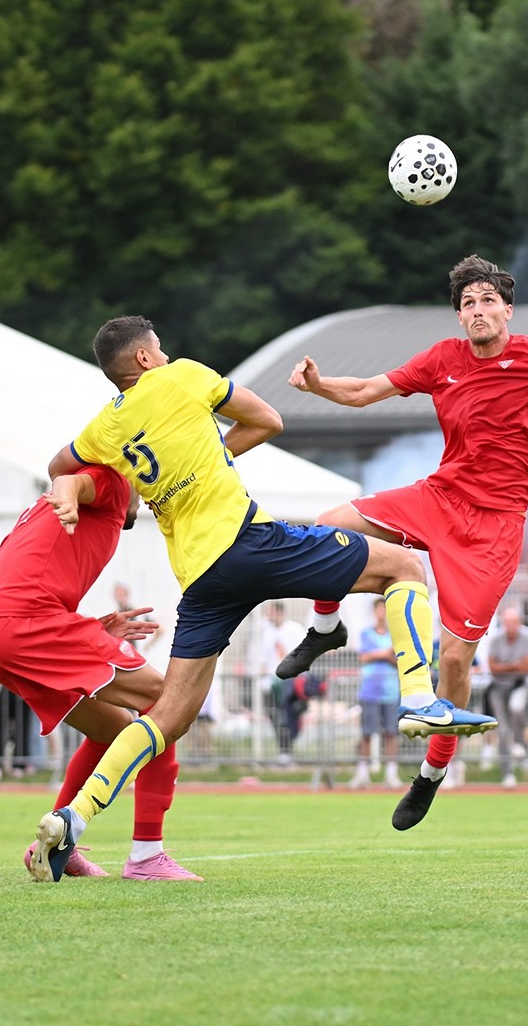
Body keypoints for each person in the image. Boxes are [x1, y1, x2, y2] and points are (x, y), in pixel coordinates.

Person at [28, 315, 493, 882]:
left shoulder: (105, 427)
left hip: (201, 578)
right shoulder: (183, 376)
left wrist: (127, 494)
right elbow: (268, 420)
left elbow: (59, 466)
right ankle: (419, 696)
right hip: (249, 543)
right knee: (404, 566)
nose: (166, 355)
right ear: (145, 359)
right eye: (160, 348)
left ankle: (73, 817)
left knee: (167, 717)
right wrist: (214, 457)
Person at [284, 254, 528, 829]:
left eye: (488, 300)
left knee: (455, 660)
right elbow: (364, 390)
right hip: (439, 498)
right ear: (460, 317)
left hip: (495, 528)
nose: (478, 310)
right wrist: (317, 385)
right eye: (468, 303)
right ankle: (325, 628)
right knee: (327, 524)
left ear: (507, 310)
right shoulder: (442, 359)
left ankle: (431, 773)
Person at [0, 459, 203, 882]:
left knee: (114, 730)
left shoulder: (41, 512)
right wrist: (68, 495)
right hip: (24, 623)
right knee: (165, 703)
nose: (148, 494)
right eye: (145, 480)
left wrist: (92, 628)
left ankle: (58, 845)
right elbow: (70, 479)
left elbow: (28, 580)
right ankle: (147, 855)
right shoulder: (112, 479)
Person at [351, 598, 403, 789]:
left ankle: (391, 774)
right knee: (366, 733)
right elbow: (364, 657)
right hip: (369, 691)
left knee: (391, 733)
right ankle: (362, 774)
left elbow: (398, 659)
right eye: (379, 609)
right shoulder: (366, 633)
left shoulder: (396, 635)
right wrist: (386, 653)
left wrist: (379, 654)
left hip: (391, 691)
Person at [484, 606, 528, 789]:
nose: (510, 626)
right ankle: (507, 773)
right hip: (498, 688)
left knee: (517, 708)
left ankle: (519, 742)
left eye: (513, 622)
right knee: (501, 731)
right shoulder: (496, 639)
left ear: (519, 622)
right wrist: (516, 665)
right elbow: (493, 667)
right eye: (507, 622)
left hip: (520, 684)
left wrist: (505, 667)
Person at [259, 603, 308, 765]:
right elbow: (264, 658)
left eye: (271, 612)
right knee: (274, 717)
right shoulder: (266, 632)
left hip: (289, 682)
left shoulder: (294, 629)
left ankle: (287, 750)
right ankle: (284, 750)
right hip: (270, 683)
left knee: (289, 716)